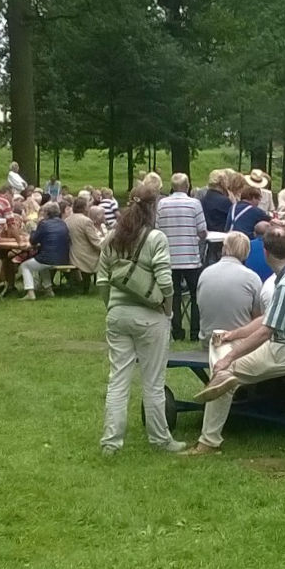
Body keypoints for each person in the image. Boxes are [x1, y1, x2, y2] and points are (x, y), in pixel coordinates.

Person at [190, 226, 285, 442]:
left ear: (265, 253)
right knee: (220, 337)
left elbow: (265, 332)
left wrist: (229, 358)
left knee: (225, 372)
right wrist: (234, 334)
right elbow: (266, 318)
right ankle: (221, 376)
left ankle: (208, 441)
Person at [97, 182, 184, 455]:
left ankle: (111, 442)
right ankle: (160, 439)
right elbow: (166, 283)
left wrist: (111, 305)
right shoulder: (156, 238)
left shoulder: (112, 238)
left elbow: (102, 280)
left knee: (118, 379)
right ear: (153, 206)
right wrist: (167, 310)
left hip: (117, 315)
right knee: (153, 382)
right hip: (150, 317)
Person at [180, 232, 265, 456]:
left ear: (224, 248)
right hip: (235, 341)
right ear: (246, 252)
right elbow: (257, 317)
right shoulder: (252, 278)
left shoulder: (205, 274)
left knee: (223, 352)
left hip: (208, 338)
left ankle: (226, 384)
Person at [157, 173, 207, 341]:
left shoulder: (162, 204)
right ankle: (195, 331)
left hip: (169, 257)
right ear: (188, 186)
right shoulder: (194, 204)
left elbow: (157, 229)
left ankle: (177, 331)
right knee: (195, 296)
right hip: (190, 258)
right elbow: (202, 230)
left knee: (174, 295)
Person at [19, 202, 70, 300]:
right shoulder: (62, 223)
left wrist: (34, 230)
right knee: (42, 266)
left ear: (46, 213)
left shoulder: (43, 224)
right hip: (63, 258)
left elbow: (33, 241)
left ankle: (30, 293)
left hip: (48, 257)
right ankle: (49, 290)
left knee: (25, 266)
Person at [65, 196, 105, 290]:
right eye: (87, 206)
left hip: (71, 254)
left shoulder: (67, 219)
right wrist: (107, 247)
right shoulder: (86, 221)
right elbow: (95, 241)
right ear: (84, 208)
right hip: (84, 255)